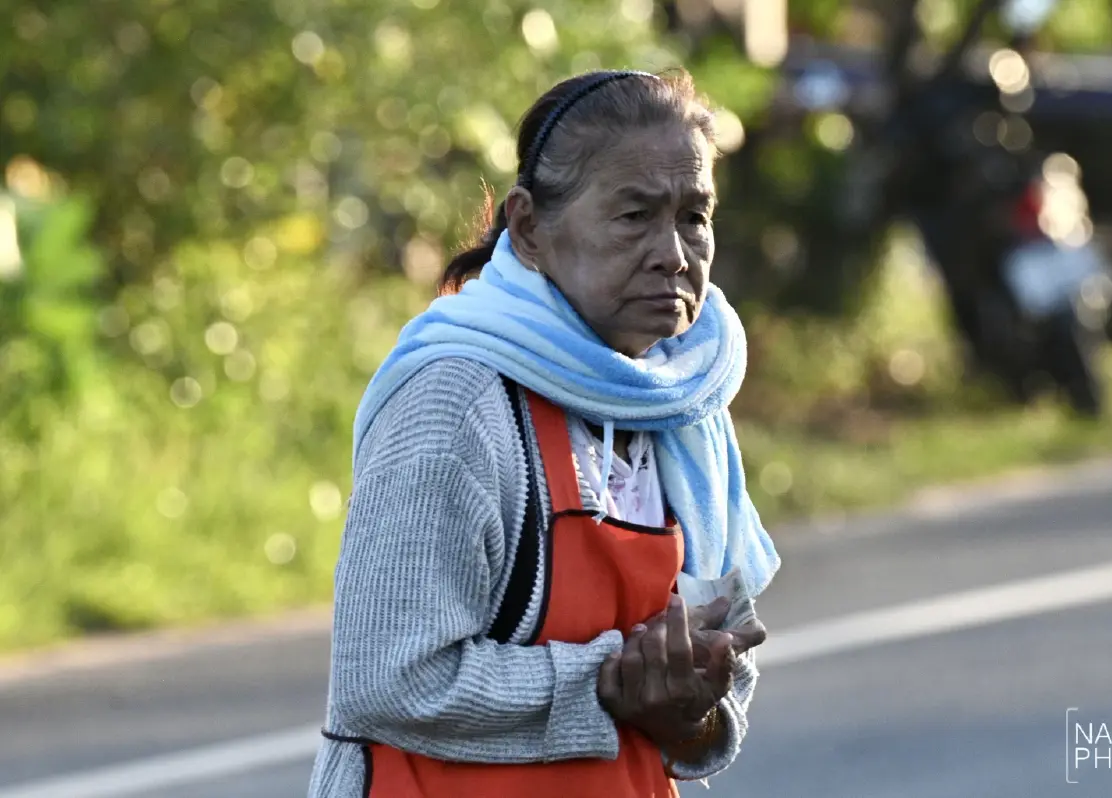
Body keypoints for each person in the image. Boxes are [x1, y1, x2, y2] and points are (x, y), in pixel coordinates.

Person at [308, 68, 781, 798]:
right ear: (529, 227)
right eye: (634, 217)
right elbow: (387, 677)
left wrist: (689, 701)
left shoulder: (681, 399)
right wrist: (611, 682)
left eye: (695, 216)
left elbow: (716, 685)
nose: (674, 253)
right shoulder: (457, 399)